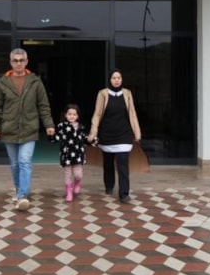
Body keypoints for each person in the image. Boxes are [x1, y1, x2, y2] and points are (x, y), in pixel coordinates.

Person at [0, 48, 55, 211]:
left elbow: (43, 105)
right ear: (11, 62)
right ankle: (19, 189)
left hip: (29, 128)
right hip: (9, 128)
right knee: (14, 164)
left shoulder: (35, 82)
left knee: (24, 161)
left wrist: (49, 124)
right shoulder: (1, 83)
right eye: (15, 60)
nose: (18, 63)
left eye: (21, 60)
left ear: (26, 62)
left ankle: (22, 195)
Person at [88, 69, 142, 203]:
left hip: (124, 134)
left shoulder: (127, 93)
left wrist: (137, 132)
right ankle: (109, 185)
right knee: (108, 163)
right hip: (107, 134)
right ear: (109, 80)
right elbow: (97, 114)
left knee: (123, 164)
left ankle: (124, 193)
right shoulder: (103, 94)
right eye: (114, 78)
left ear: (122, 79)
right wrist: (93, 132)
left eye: (119, 78)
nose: (116, 80)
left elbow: (132, 113)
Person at [51, 104, 89, 202]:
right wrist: (51, 135)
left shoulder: (81, 127)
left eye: (74, 114)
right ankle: (69, 191)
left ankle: (77, 182)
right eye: (69, 114)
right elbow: (57, 138)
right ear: (65, 115)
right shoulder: (61, 126)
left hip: (78, 155)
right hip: (66, 155)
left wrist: (93, 140)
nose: (72, 116)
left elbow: (85, 139)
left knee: (78, 174)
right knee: (67, 174)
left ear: (78, 116)